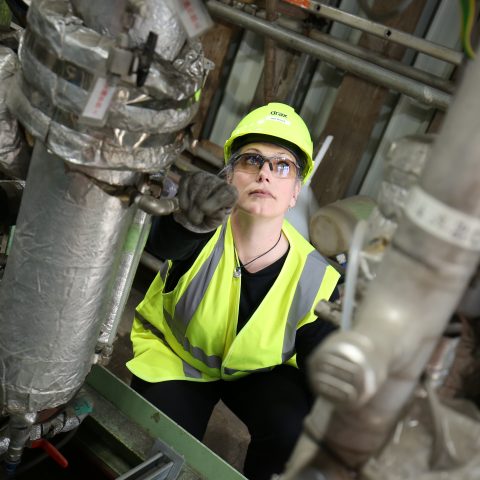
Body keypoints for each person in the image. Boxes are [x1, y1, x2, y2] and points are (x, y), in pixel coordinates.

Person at [127, 102, 340, 480]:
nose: (265, 174)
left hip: (257, 372)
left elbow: (323, 370)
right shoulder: (199, 229)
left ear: (295, 192)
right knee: (160, 448)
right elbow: (166, 245)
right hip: (177, 357)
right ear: (229, 177)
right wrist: (182, 224)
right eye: (251, 160)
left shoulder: (316, 277)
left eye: (282, 165)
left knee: (294, 429)